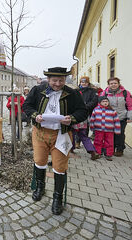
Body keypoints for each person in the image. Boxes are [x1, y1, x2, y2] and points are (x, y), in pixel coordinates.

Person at [22, 67, 88, 215]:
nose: (58, 84)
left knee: (59, 166)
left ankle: (57, 197)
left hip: (62, 134)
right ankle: (40, 187)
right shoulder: (37, 90)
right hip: (40, 133)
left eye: (61, 80)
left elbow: (83, 111)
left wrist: (70, 119)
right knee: (39, 161)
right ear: (48, 79)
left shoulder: (72, 93)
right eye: (54, 80)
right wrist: (35, 115)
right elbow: (26, 105)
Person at [101, 77, 132, 157]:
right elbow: (100, 104)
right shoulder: (105, 93)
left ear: (118, 84)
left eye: (115, 83)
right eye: (111, 83)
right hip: (109, 117)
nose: (113, 85)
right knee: (110, 134)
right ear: (108, 85)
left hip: (121, 117)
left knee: (120, 134)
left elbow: (130, 106)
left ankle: (120, 149)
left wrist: (129, 117)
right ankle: (111, 148)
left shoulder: (125, 93)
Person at [71, 76, 98, 159]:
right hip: (77, 116)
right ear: (80, 82)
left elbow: (94, 101)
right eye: (82, 82)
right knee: (74, 134)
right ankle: (92, 151)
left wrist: (85, 107)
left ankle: (92, 151)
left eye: (85, 82)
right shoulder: (75, 91)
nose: (84, 83)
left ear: (88, 83)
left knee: (79, 134)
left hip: (83, 116)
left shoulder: (92, 91)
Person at [90, 96, 121, 161]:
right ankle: (97, 153)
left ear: (108, 102)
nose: (105, 103)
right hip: (99, 129)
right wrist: (92, 126)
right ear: (100, 103)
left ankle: (108, 154)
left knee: (109, 142)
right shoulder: (96, 109)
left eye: (106, 101)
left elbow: (116, 120)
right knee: (98, 141)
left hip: (109, 130)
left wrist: (117, 129)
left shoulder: (112, 111)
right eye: (103, 101)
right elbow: (92, 119)